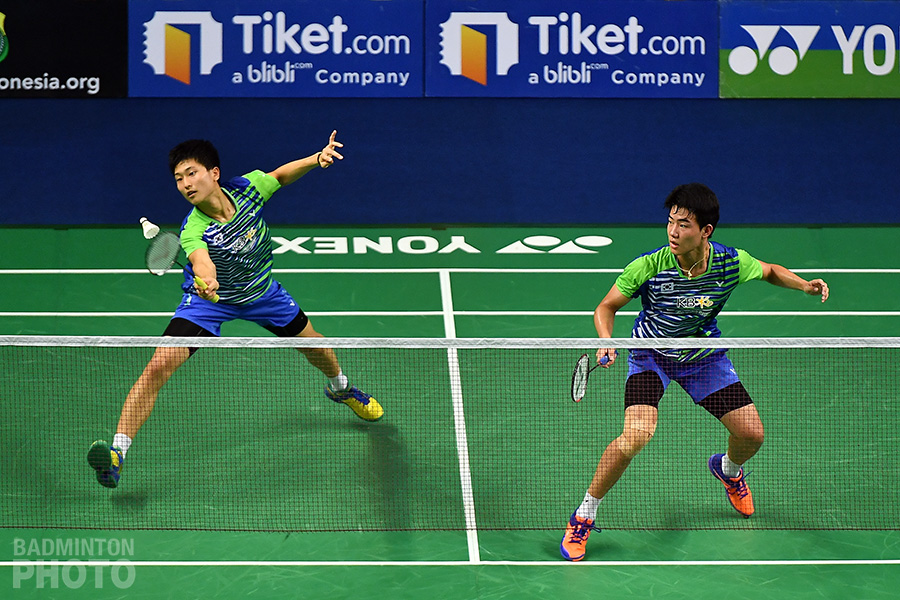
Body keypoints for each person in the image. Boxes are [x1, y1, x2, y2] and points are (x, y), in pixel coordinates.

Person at [88, 131, 383, 489]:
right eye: (179, 179)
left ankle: (341, 388)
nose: (185, 184)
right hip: (207, 305)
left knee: (317, 347)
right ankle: (117, 454)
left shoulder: (248, 189)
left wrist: (315, 159)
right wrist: (208, 281)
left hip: (262, 293)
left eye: (191, 173)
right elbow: (201, 260)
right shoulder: (194, 229)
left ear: (214, 173)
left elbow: (279, 176)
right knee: (157, 367)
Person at [560, 183, 829, 561]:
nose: (673, 231)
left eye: (683, 225)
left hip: (703, 358)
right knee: (636, 435)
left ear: (706, 231)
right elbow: (606, 307)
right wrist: (607, 340)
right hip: (651, 355)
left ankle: (728, 470)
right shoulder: (648, 266)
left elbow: (769, 271)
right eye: (670, 222)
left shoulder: (729, 262)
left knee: (752, 434)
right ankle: (583, 516)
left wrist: (804, 285)